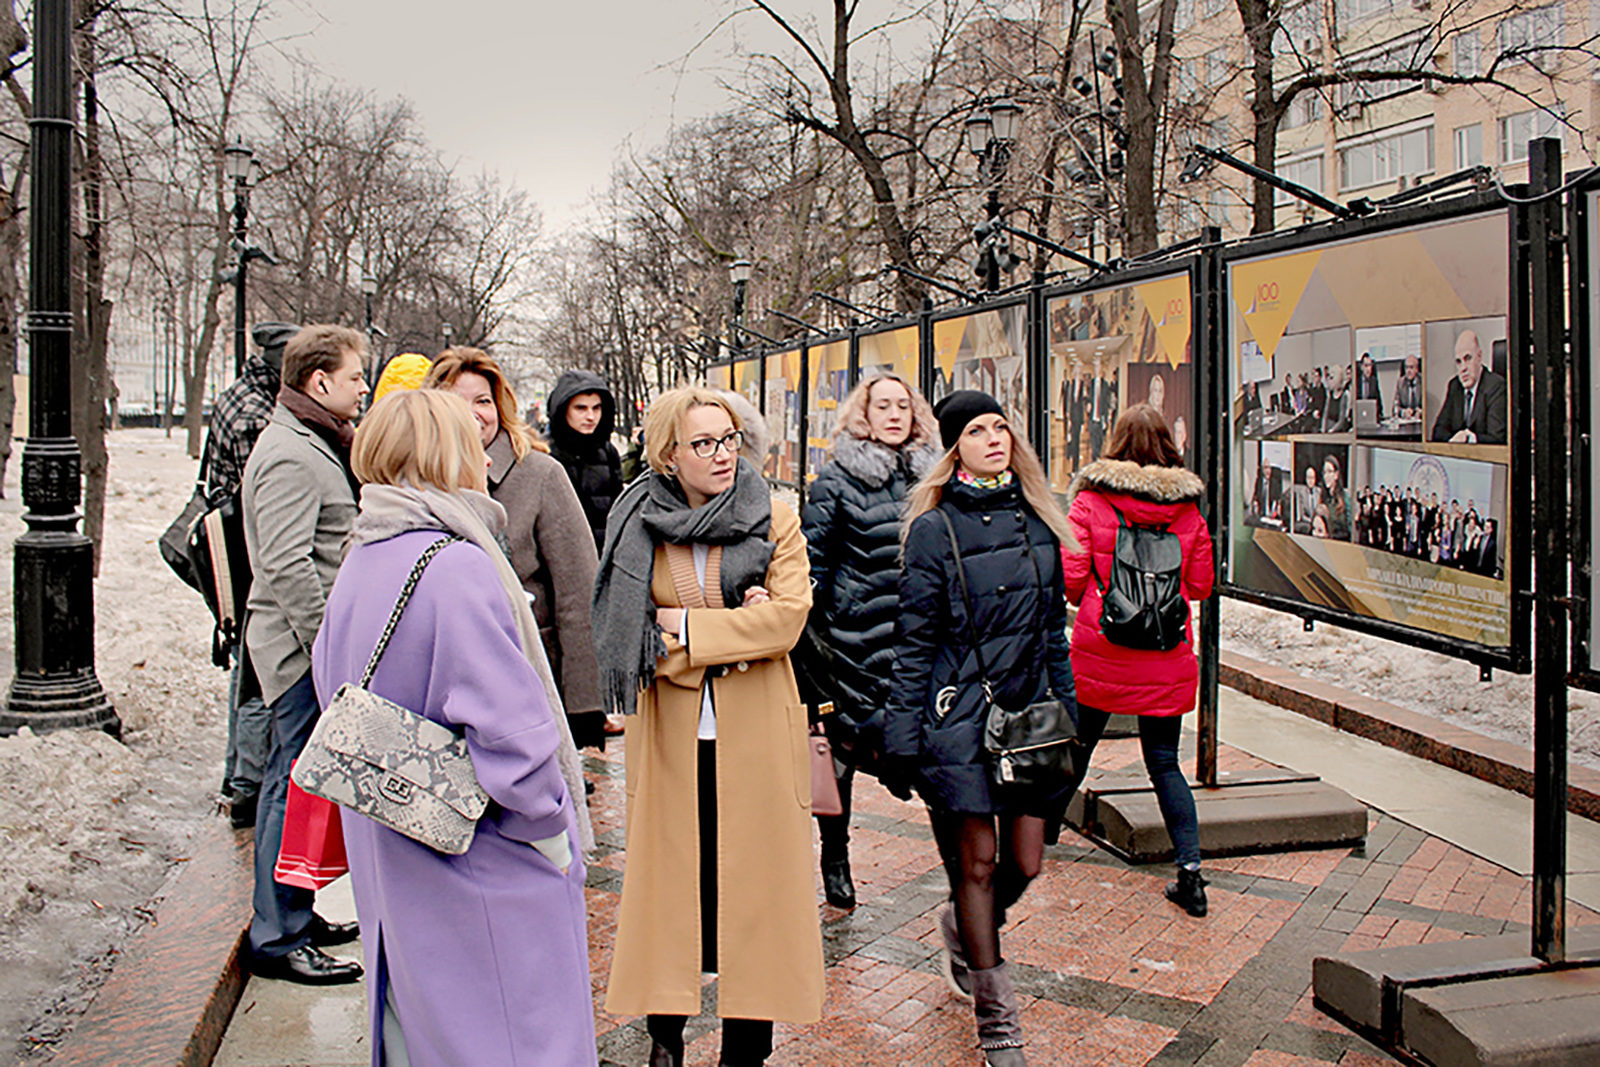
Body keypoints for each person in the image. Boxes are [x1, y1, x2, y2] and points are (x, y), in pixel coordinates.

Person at [313, 389, 596, 1065]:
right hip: (480, 865)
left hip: (392, 852)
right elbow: (514, 738)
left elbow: (329, 682)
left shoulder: (363, 555)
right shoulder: (457, 565)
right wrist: (551, 838)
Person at [595, 387, 823, 1066]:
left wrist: (685, 627)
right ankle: (665, 1041)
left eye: (728, 439)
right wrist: (733, 629)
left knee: (756, 895)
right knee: (672, 891)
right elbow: (626, 634)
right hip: (670, 738)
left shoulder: (774, 517)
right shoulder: (635, 522)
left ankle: (745, 1048)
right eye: (704, 444)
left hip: (755, 733)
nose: (723, 455)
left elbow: (786, 619)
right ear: (669, 454)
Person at [886, 390, 1076, 1066]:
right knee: (978, 861)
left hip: (1028, 717)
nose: (994, 438)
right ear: (953, 447)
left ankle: (966, 929)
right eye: (976, 430)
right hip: (959, 720)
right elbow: (914, 643)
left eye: (1000, 427)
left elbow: (1054, 632)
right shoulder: (934, 530)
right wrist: (901, 736)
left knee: (1025, 861)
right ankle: (999, 1024)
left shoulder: (1037, 519)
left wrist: (1070, 713)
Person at [240, 324, 368, 985]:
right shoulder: (291, 452)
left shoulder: (309, 439)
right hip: (299, 654)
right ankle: (277, 932)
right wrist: (329, 646)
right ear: (318, 382)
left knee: (303, 786)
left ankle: (297, 910)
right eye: (353, 376)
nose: (362, 387)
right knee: (287, 789)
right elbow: (287, 565)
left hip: (304, 648)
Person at [1061, 404, 1215, 917]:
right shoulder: (1188, 511)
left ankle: (1038, 841)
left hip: (1102, 649)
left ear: (1116, 441)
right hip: (1164, 653)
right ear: (1168, 445)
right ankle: (1190, 873)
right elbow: (1199, 584)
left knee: (1078, 746)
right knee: (1165, 762)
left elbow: (1072, 581)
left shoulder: (1089, 502)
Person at [800, 372, 940, 909]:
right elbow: (813, 564)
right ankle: (835, 859)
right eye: (883, 405)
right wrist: (818, 643)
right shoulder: (835, 481)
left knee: (931, 753)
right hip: (852, 643)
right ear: (863, 414)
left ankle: (960, 865)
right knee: (838, 758)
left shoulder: (932, 479)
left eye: (903, 405)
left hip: (916, 641)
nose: (894, 414)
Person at [423, 349, 608, 751]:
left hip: (530, 680)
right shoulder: (421, 481)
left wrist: (583, 703)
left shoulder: (538, 474)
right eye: (458, 400)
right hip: (445, 688)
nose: (474, 413)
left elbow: (578, 591)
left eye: (483, 401)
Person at [205, 320, 298, 831]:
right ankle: (244, 785)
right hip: (251, 558)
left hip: (249, 554)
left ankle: (238, 783)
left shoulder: (243, 398)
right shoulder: (255, 414)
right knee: (257, 675)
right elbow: (265, 504)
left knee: (251, 670)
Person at [547, 369, 625, 551]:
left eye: (596, 408)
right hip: (563, 557)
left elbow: (617, 509)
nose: (590, 416)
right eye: (580, 408)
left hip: (604, 555)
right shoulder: (546, 454)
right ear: (563, 408)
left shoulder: (607, 452)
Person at [1430, 330, 1507, 444]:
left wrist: (1469, 439)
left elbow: (1496, 438)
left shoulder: (1496, 386)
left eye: (1468, 358)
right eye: (1459, 362)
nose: (1463, 368)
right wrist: (1454, 440)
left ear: (1479, 356)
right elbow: (1438, 431)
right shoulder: (1455, 386)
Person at [1321, 455, 1349, 540]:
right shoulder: (1323, 498)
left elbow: (1349, 531)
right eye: (1324, 472)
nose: (1326, 476)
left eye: (1329, 471)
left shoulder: (1344, 499)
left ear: (1336, 475)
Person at [1355, 353, 1384, 421]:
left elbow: (1379, 403)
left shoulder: (1374, 381)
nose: (1368, 369)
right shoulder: (1356, 382)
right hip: (1359, 417)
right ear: (1361, 367)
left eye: (1370, 366)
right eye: (1366, 366)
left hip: (1372, 417)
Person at [1394, 353, 1423, 419]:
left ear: (1417, 369)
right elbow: (1395, 407)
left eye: (1411, 367)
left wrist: (1421, 412)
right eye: (1406, 367)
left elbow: (1428, 406)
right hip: (1406, 421)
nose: (1408, 371)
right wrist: (1403, 412)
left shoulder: (1422, 382)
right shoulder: (1400, 383)